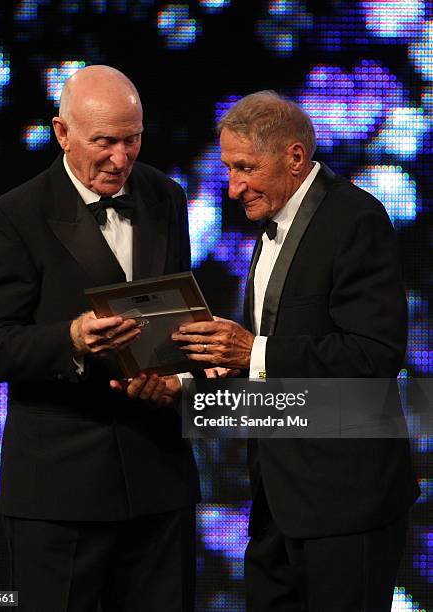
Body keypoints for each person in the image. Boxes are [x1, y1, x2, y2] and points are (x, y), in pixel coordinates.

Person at [172, 91, 420, 611]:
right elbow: (278, 365)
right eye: (228, 169)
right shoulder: (271, 228)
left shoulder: (355, 219)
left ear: (294, 157)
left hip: (347, 508)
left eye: (245, 168)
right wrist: (207, 377)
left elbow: (374, 355)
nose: (233, 186)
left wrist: (255, 352)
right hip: (276, 504)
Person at [0, 65, 199, 612]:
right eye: (104, 142)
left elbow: (181, 318)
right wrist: (71, 339)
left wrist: (180, 377)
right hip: (60, 493)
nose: (121, 158)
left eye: (132, 139)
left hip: (159, 481)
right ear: (61, 132)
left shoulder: (165, 196)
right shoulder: (14, 216)